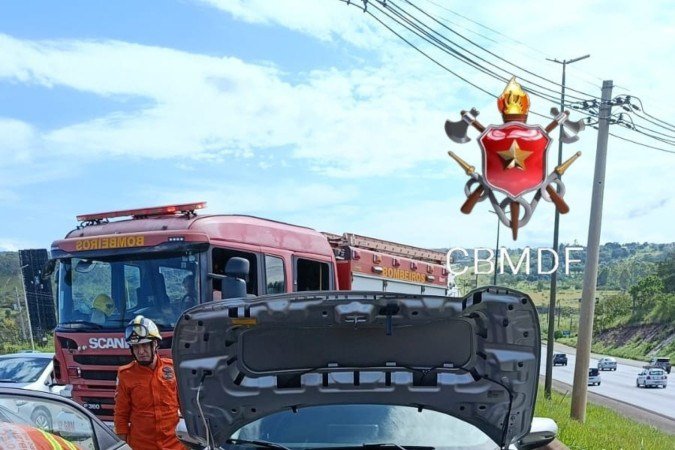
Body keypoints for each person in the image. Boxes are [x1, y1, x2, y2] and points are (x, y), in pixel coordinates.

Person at [113, 315, 185, 450]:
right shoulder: (125, 375)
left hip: (174, 445)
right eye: (136, 347)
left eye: (145, 345)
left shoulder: (173, 368)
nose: (141, 351)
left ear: (155, 344)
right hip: (141, 445)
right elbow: (121, 415)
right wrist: (123, 444)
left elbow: (187, 407)